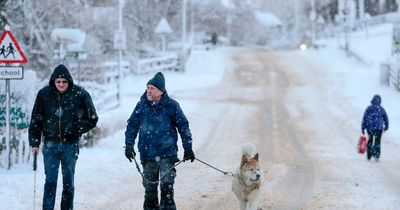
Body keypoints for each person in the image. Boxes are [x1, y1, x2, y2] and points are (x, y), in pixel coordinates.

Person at [29, 64, 98, 210]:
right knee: (50, 182)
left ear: (69, 81)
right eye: (58, 81)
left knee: (68, 183)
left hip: (70, 145)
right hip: (50, 146)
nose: (61, 84)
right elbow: (36, 119)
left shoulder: (80, 94)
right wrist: (34, 142)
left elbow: (92, 118)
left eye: (64, 82)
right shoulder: (44, 94)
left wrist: (76, 128)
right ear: (53, 81)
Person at [124, 72, 195, 210]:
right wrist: (128, 145)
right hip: (148, 155)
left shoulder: (172, 106)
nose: (148, 91)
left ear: (161, 91)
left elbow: (183, 126)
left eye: (152, 88)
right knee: (150, 190)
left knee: (166, 187)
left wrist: (188, 148)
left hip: (167, 154)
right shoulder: (141, 106)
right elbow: (132, 125)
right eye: (148, 87)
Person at [361, 94, 389, 161]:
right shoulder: (381, 109)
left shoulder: (369, 108)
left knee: (370, 140)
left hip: (370, 128)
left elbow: (364, 118)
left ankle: (369, 155)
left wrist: (363, 127)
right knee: (377, 141)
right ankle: (376, 155)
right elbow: (386, 118)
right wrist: (386, 126)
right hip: (379, 128)